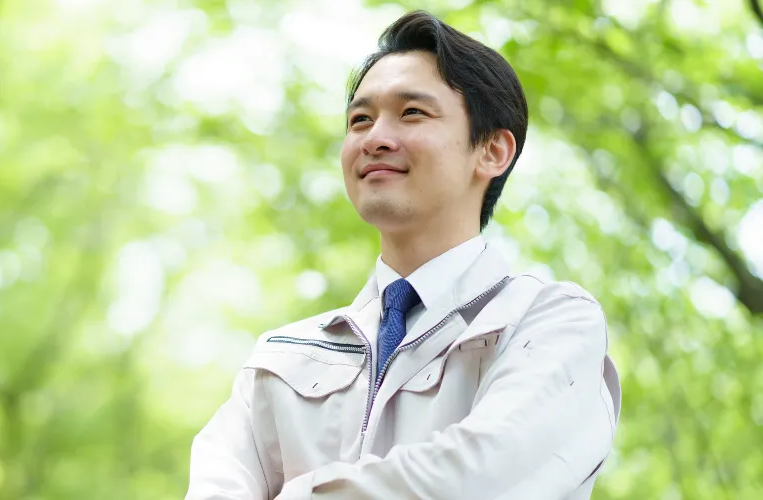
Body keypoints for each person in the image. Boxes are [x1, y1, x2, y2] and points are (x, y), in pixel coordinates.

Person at [185, 10, 621, 500]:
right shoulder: (281, 358)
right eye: (360, 120)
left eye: (412, 112)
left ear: (492, 151)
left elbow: (474, 480)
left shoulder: (549, 323)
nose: (375, 139)